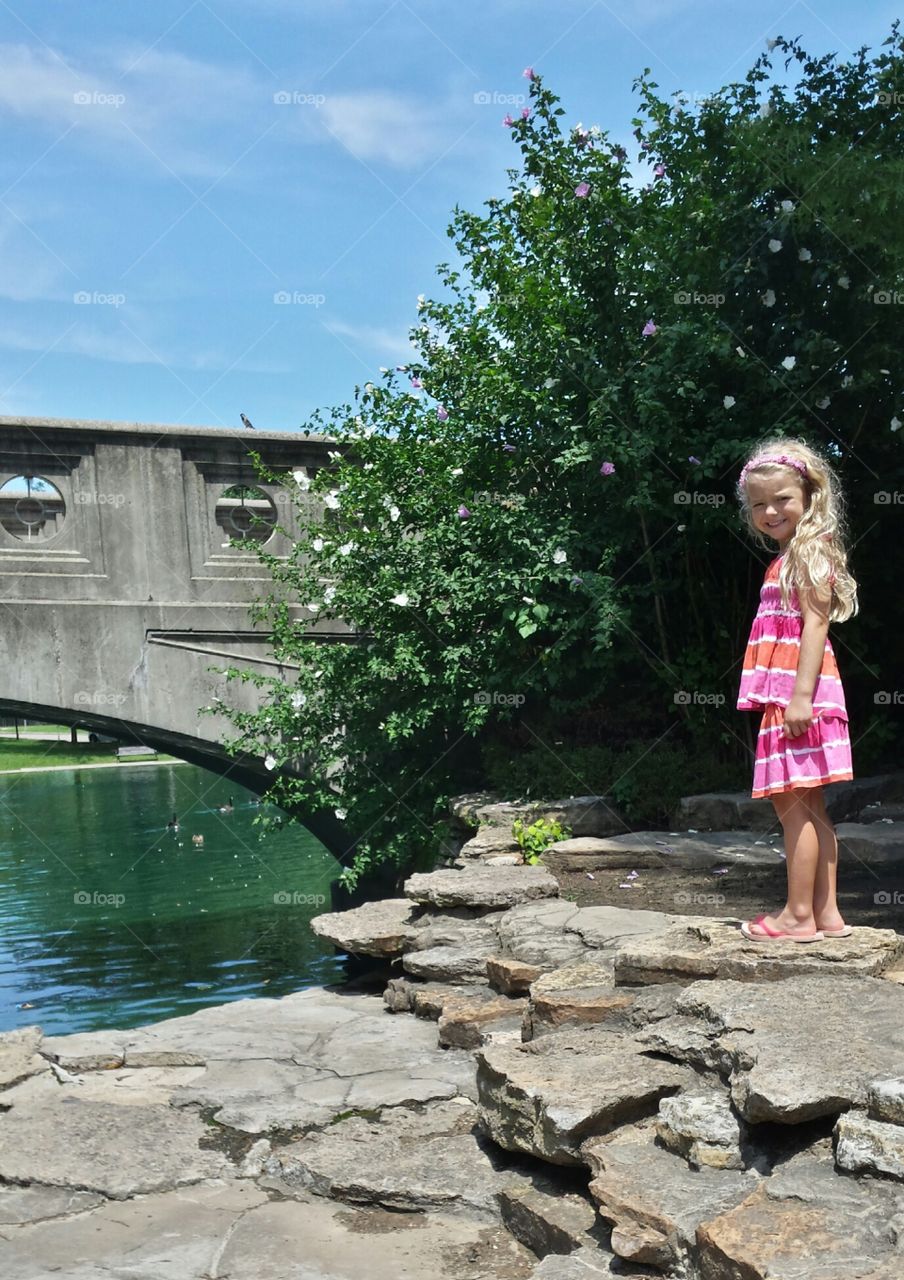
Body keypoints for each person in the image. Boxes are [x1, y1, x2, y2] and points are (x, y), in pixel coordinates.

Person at [735, 440, 858, 943]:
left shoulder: (808, 551)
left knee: (792, 810)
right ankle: (827, 915)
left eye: (782, 499)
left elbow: (814, 625)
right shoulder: (794, 554)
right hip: (800, 695)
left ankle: (797, 917)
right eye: (759, 503)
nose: (770, 511)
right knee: (811, 809)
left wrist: (800, 697)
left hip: (797, 697)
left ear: (808, 494)